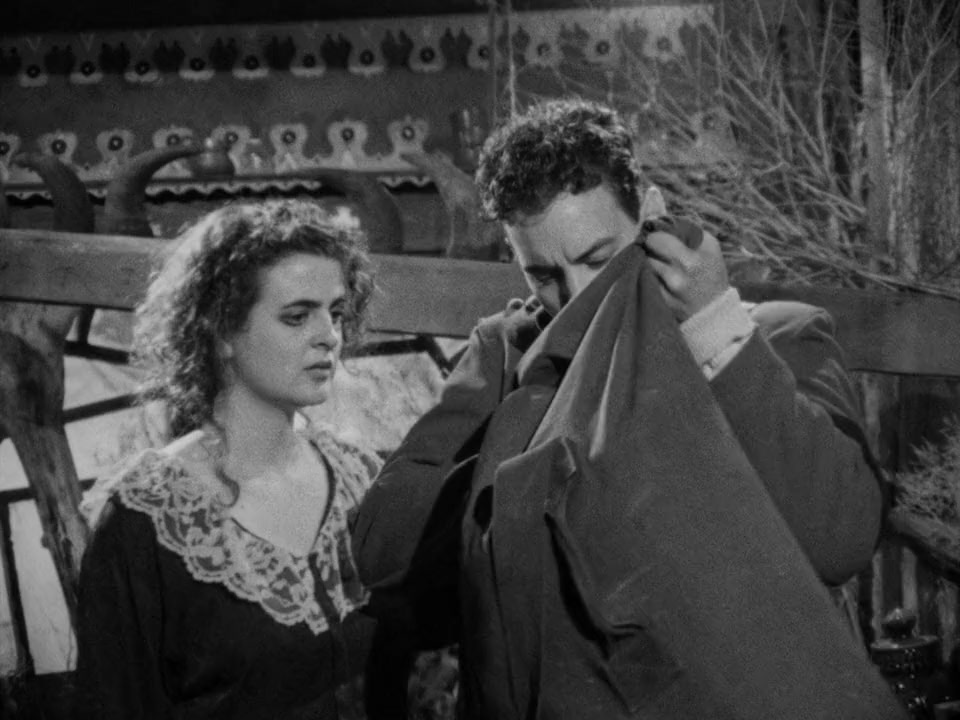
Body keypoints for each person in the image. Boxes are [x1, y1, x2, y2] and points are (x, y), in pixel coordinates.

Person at [351, 99, 907, 719]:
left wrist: (713, 327)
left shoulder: (775, 336)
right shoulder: (509, 355)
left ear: (651, 216)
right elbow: (385, 557)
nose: (578, 295)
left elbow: (840, 540)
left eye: (598, 259)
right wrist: (531, 426)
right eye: (544, 275)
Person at [75, 200, 391, 719]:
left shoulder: (363, 480)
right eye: (297, 317)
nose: (329, 336)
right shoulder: (144, 518)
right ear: (222, 330)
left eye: (335, 313)